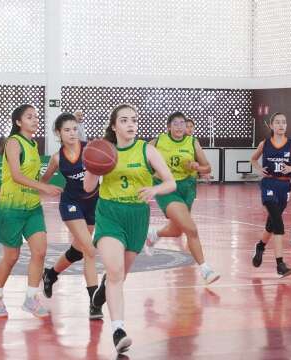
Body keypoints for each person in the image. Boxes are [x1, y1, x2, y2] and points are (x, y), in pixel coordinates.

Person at [83, 104, 175, 353]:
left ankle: (102, 291)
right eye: (124, 120)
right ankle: (118, 330)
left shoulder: (147, 150)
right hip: (110, 213)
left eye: (133, 120)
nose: (130, 124)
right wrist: (92, 165)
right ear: (114, 126)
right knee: (115, 271)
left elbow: (170, 182)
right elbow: (88, 188)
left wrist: (155, 189)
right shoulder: (103, 150)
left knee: (119, 275)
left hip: (137, 216)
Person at [0, 104, 63, 318]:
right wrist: (45, 187)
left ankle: (31, 298)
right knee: (11, 257)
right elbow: (17, 175)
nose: (35, 120)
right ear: (18, 122)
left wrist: (50, 173)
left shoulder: (32, 144)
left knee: (40, 252)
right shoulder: (14, 143)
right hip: (11, 208)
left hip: (32, 208)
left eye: (37, 117)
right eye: (29, 117)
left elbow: (35, 178)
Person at [144, 111, 220, 284]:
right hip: (167, 188)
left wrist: (196, 167)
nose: (180, 127)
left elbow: (207, 168)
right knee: (191, 228)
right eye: (176, 123)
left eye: (183, 123)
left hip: (187, 187)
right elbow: (141, 157)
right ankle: (205, 269)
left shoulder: (192, 142)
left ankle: (153, 234)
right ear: (169, 127)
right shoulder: (158, 141)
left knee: (177, 230)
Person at [40, 112, 102, 319]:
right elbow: (45, 179)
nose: (72, 133)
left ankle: (51, 274)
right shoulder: (57, 158)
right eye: (67, 130)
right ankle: (95, 303)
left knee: (77, 251)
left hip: (93, 202)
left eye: (75, 129)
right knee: (90, 250)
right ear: (58, 133)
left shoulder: (90, 149)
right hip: (71, 205)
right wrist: (39, 186)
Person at [250, 112, 291, 277]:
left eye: (284, 122)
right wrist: (258, 168)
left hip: (284, 186)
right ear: (272, 126)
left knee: (271, 224)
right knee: (278, 222)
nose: (281, 125)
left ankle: (260, 246)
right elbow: (253, 159)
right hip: (269, 184)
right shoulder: (265, 143)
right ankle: (280, 264)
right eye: (277, 122)